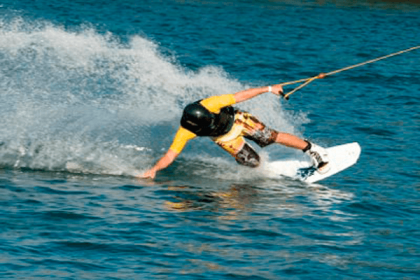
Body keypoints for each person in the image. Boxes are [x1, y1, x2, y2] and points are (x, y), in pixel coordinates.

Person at [139, 84, 329, 179]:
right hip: (224, 137)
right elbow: (171, 155)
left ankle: (313, 149)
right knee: (253, 163)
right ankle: (264, 164)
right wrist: (153, 170)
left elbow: (242, 95)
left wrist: (269, 89)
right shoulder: (185, 130)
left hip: (239, 121)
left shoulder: (211, 103)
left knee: (270, 137)